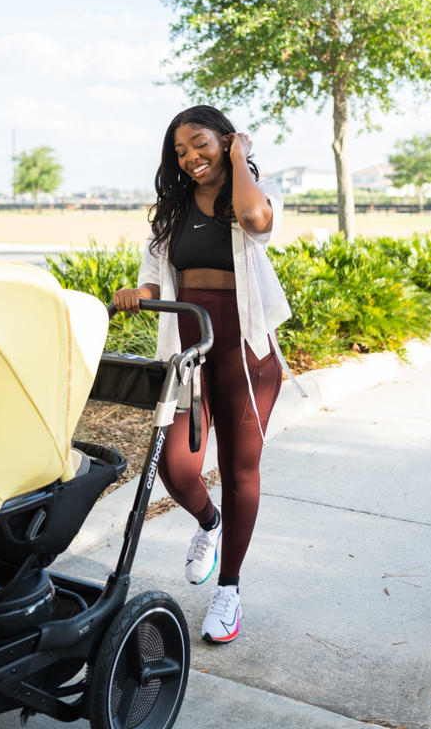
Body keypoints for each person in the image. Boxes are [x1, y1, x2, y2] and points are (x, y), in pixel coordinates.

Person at [113, 105, 290, 644]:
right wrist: (138, 295)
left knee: (240, 469)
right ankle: (208, 524)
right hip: (190, 348)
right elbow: (153, 278)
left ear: (226, 140)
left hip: (244, 351)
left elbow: (257, 223)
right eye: (181, 151)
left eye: (201, 144)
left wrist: (240, 157)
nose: (191, 157)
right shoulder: (170, 212)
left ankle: (229, 592)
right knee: (175, 466)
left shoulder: (253, 197)